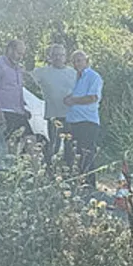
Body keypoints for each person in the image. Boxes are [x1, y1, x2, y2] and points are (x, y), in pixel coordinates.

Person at [31, 44, 75, 171]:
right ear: (50, 57)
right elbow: (26, 78)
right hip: (53, 115)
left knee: (70, 146)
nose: (58, 58)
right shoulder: (42, 72)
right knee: (53, 146)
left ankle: (70, 173)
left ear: (65, 57)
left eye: (61, 55)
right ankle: (49, 172)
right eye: (55, 55)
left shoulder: (72, 73)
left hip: (71, 115)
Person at [63, 50, 103, 188]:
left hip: (88, 121)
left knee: (86, 154)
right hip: (72, 120)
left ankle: (90, 186)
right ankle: (74, 184)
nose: (77, 63)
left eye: (80, 60)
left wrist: (73, 100)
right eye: (74, 61)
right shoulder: (72, 77)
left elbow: (92, 98)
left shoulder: (93, 77)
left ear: (86, 61)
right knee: (71, 154)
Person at [0, 39, 31, 144]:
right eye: (19, 53)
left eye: (22, 54)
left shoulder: (17, 68)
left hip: (19, 111)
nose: (20, 57)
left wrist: (24, 108)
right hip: (6, 112)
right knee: (13, 144)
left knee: (30, 142)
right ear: (10, 50)